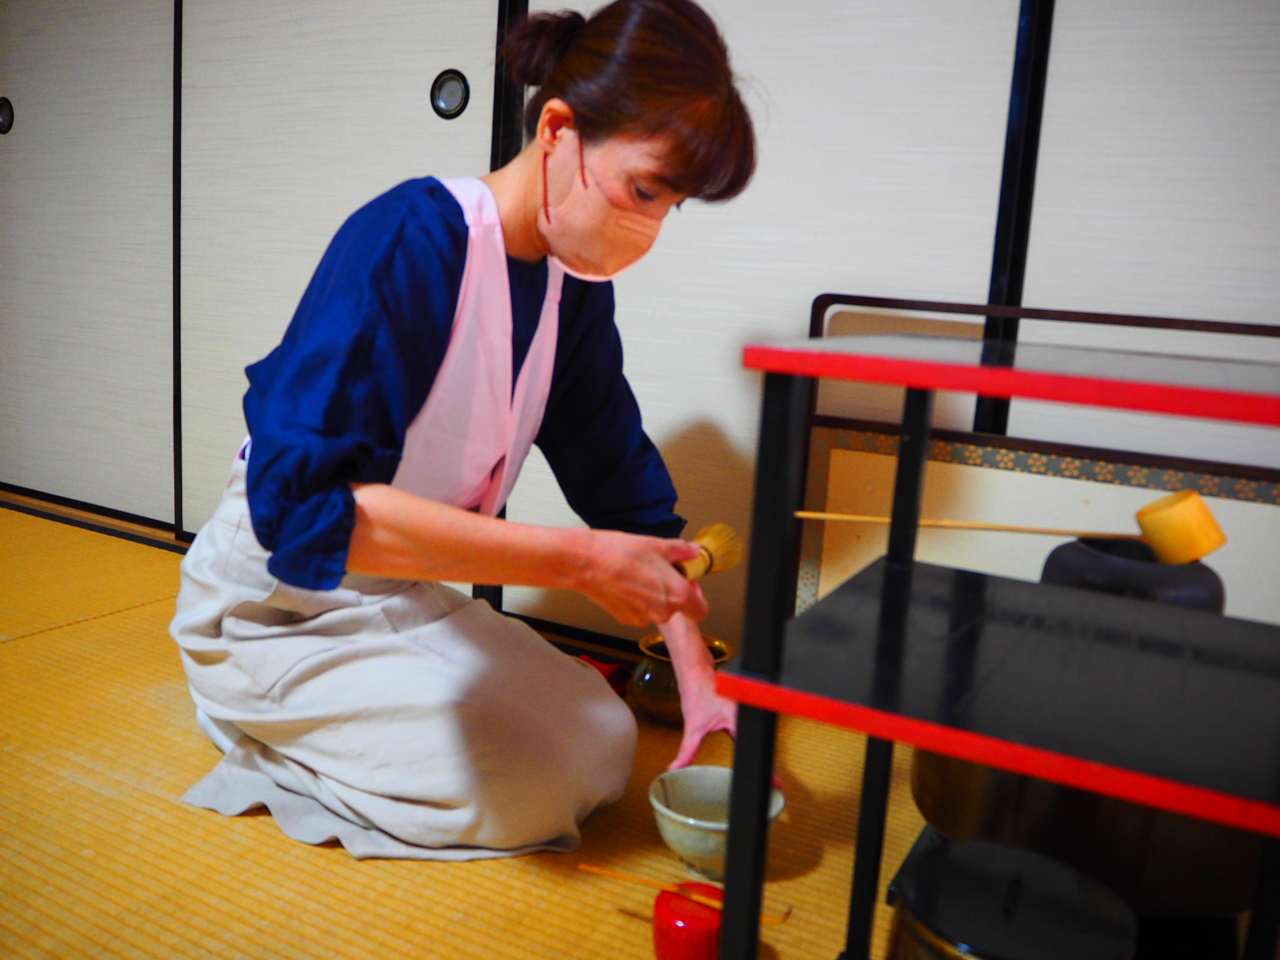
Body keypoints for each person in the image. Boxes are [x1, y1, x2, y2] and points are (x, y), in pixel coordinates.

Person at [170, 0, 756, 860]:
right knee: (531, 789)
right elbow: (298, 512)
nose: (648, 229)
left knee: (604, 739)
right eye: (643, 191)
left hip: (398, 594)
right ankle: (251, 718)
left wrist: (698, 678)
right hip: (271, 606)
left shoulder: (572, 292)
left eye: (670, 207)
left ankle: (349, 722)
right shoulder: (411, 238)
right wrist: (579, 562)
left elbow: (619, 482)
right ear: (558, 131)